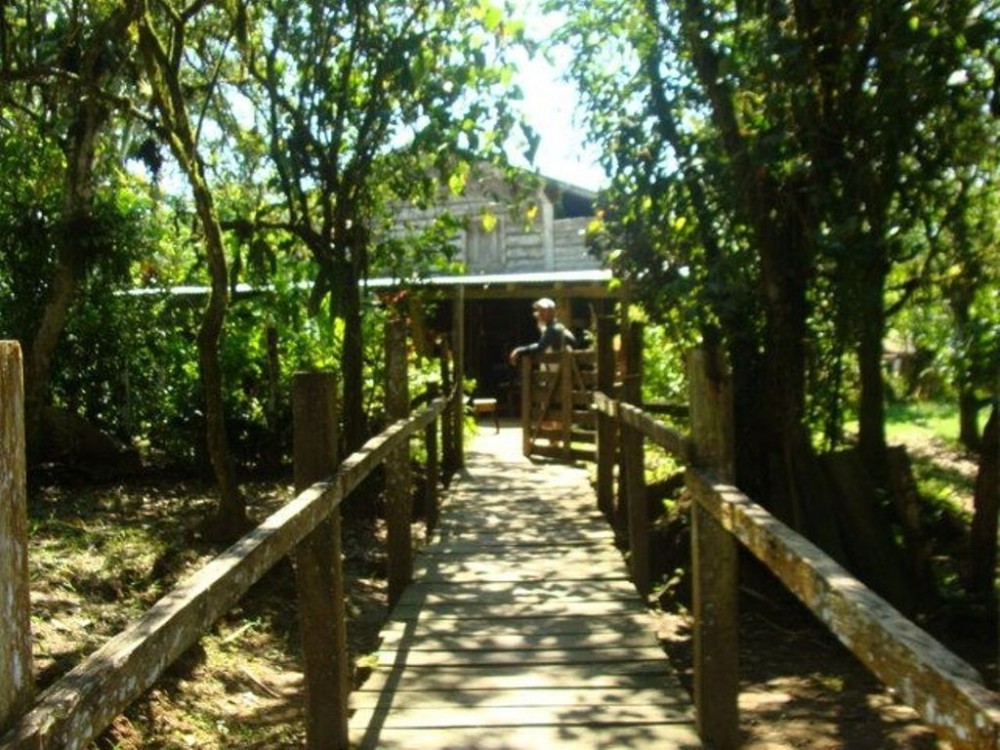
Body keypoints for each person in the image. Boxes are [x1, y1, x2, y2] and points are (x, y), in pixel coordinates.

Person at [508, 297, 577, 365]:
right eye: (539, 310)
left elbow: (540, 347)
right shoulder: (554, 328)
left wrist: (519, 350)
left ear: (552, 312)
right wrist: (540, 322)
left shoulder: (554, 328)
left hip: (562, 371)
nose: (540, 313)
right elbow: (545, 338)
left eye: (543, 310)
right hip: (561, 369)